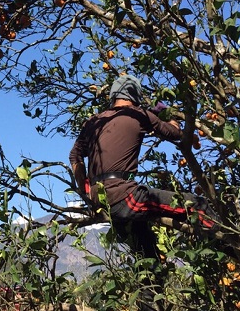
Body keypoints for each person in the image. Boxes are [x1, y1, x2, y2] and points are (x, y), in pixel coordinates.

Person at [69, 74, 216, 260]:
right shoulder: (138, 114)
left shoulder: (94, 121)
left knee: (147, 252)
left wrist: (86, 192)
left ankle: (149, 284)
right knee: (197, 206)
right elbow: (173, 133)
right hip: (123, 196)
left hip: (99, 200)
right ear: (135, 97)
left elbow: (75, 156)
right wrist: (172, 121)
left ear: (113, 96)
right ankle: (235, 247)